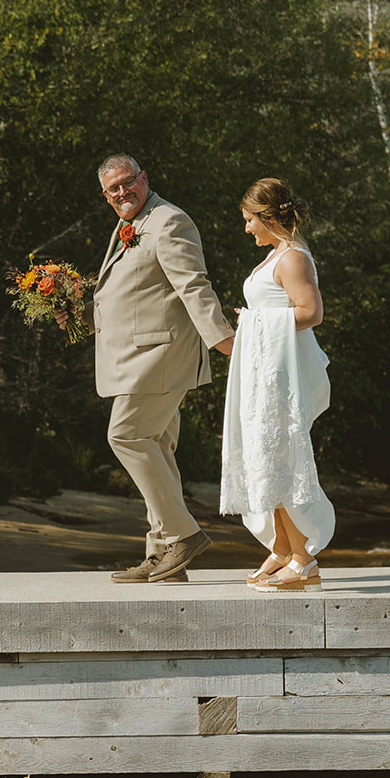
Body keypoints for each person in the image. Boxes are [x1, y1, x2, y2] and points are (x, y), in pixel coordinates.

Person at [60, 155, 236, 583]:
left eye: (128, 183)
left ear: (145, 179)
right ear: (105, 197)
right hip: (139, 357)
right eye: (113, 189)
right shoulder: (130, 225)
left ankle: (184, 534)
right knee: (157, 446)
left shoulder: (169, 220)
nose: (122, 193)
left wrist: (227, 342)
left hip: (159, 357)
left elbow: (193, 285)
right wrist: (78, 313)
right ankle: (164, 557)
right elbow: (133, 297)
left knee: (126, 434)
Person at [219, 178, 334, 592]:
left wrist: (252, 323)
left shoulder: (293, 259)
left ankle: (304, 558)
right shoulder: (276, 255)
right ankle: (284, 549)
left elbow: (311, 312)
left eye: (250, 220)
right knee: (267, 458)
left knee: (283, 459)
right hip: (265, 372)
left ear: (269, 218)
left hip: (282, 377)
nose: (247, 228)